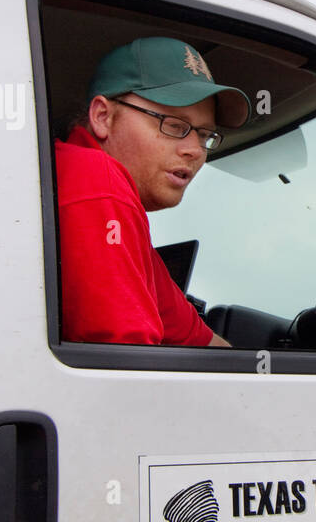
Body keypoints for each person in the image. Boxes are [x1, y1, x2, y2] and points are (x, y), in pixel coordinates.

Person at [56, 36, 252, 348]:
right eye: (174, 125)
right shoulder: (99, 185)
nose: (194, 150)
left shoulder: (114, 209)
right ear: (103, 117)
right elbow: (129, 369)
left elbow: (203, 343)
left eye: (204, 135)